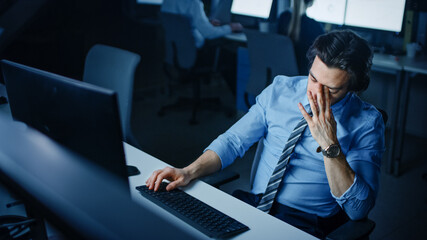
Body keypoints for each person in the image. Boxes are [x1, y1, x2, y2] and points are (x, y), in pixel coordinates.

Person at [146, 30, 385, 238]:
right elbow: (233, 141)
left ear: (354, 87)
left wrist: (330, 146)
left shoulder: (366, 123)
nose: (315, 93)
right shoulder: (281, 89)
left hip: (306, 222)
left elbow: (358, 209)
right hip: (255, 204)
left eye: (331, 89)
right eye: (313, 78)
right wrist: (188, 171)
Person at [161, 0, 243, 49]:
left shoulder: (167, 1)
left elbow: (181, 22)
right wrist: (231, 27)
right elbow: (208, 33)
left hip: (172, 46)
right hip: (192, 48)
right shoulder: (194, 4)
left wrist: (206, 22)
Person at [277, 0, 325, 75]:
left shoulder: (283, 18)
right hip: (301, 79)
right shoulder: (315, 27)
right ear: (311, 2)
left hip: (280, 76)